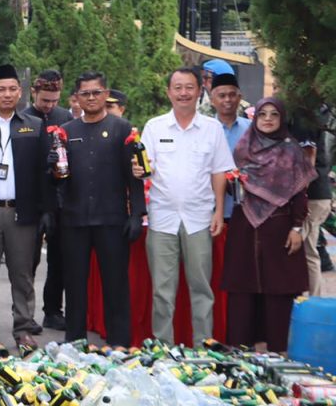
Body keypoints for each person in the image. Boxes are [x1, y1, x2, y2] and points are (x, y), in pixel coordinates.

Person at [137, 68, 235, 345]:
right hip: (162, 218)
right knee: (162, 290)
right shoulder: (154, 127)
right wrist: (136, 170)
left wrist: (218, 211)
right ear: (169, 92)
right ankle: (163, 348)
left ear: (198, 92)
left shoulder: (211, 129)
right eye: (177, 87)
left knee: (202, 289)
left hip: (199, 218)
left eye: (189, 87)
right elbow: (144, 169)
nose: (183, 93)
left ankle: (203, 349)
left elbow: (219, 172)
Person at [0, 64, 52, 350]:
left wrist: (45, 212)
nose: (6, 94)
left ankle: (24, 328)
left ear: (20, 92)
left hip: (22, 213)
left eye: (12, 89)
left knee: (22, 274)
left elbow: (44, 172)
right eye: (0, 89)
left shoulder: (34, 126)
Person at [59, 72, 146, 347]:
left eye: (97, 92)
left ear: (105, 93)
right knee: (75, 286)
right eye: (85, 93)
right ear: (76, 98)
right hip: (74, 220)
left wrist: (137, 213)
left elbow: (135, 175)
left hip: (112, 219)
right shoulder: (67, 131)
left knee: (115, 285)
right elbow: (59, 178)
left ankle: (119, 343)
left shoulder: (122, 128)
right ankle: (75, 342)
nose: (92, 98)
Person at [223, 98, 314, 351]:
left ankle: (276, 351)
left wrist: (297, 228)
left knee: (278, 291)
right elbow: (232, 186)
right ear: (255, 118)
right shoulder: (243, 148)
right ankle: (240, 352)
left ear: (282, 118)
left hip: (279, 227)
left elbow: (300, 193)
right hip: (245, 226)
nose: (268, 119)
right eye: (262, 114)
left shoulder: (292, 150)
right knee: (242, 290)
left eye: (274, 114)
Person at [24, 69, 72, 331]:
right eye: (45, 101)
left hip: (59, 200)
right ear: (34, 93)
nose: (49, 106)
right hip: (32, 200)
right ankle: (25, 313)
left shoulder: (65, 117)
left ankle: (53, 310)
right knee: (28, 261)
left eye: (54, 101)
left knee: (59, 260)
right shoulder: (24, 118)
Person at [289, 107, 334, 296]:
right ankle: (314, 299)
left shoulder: (303, 115)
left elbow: (308, 157)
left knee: (303, 250)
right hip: (319, 193)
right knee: (309, 251)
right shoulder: (316, 113)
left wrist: (299, 194)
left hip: (310, 195)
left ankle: (309, 300)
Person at [210, 66, 252, 220]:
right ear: (212, 100)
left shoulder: (251, 129)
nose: (227, 100)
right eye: (222, 96)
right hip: (210, 210)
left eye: (232, 95)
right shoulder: (204, 130)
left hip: (246, 209)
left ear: (239, 98)